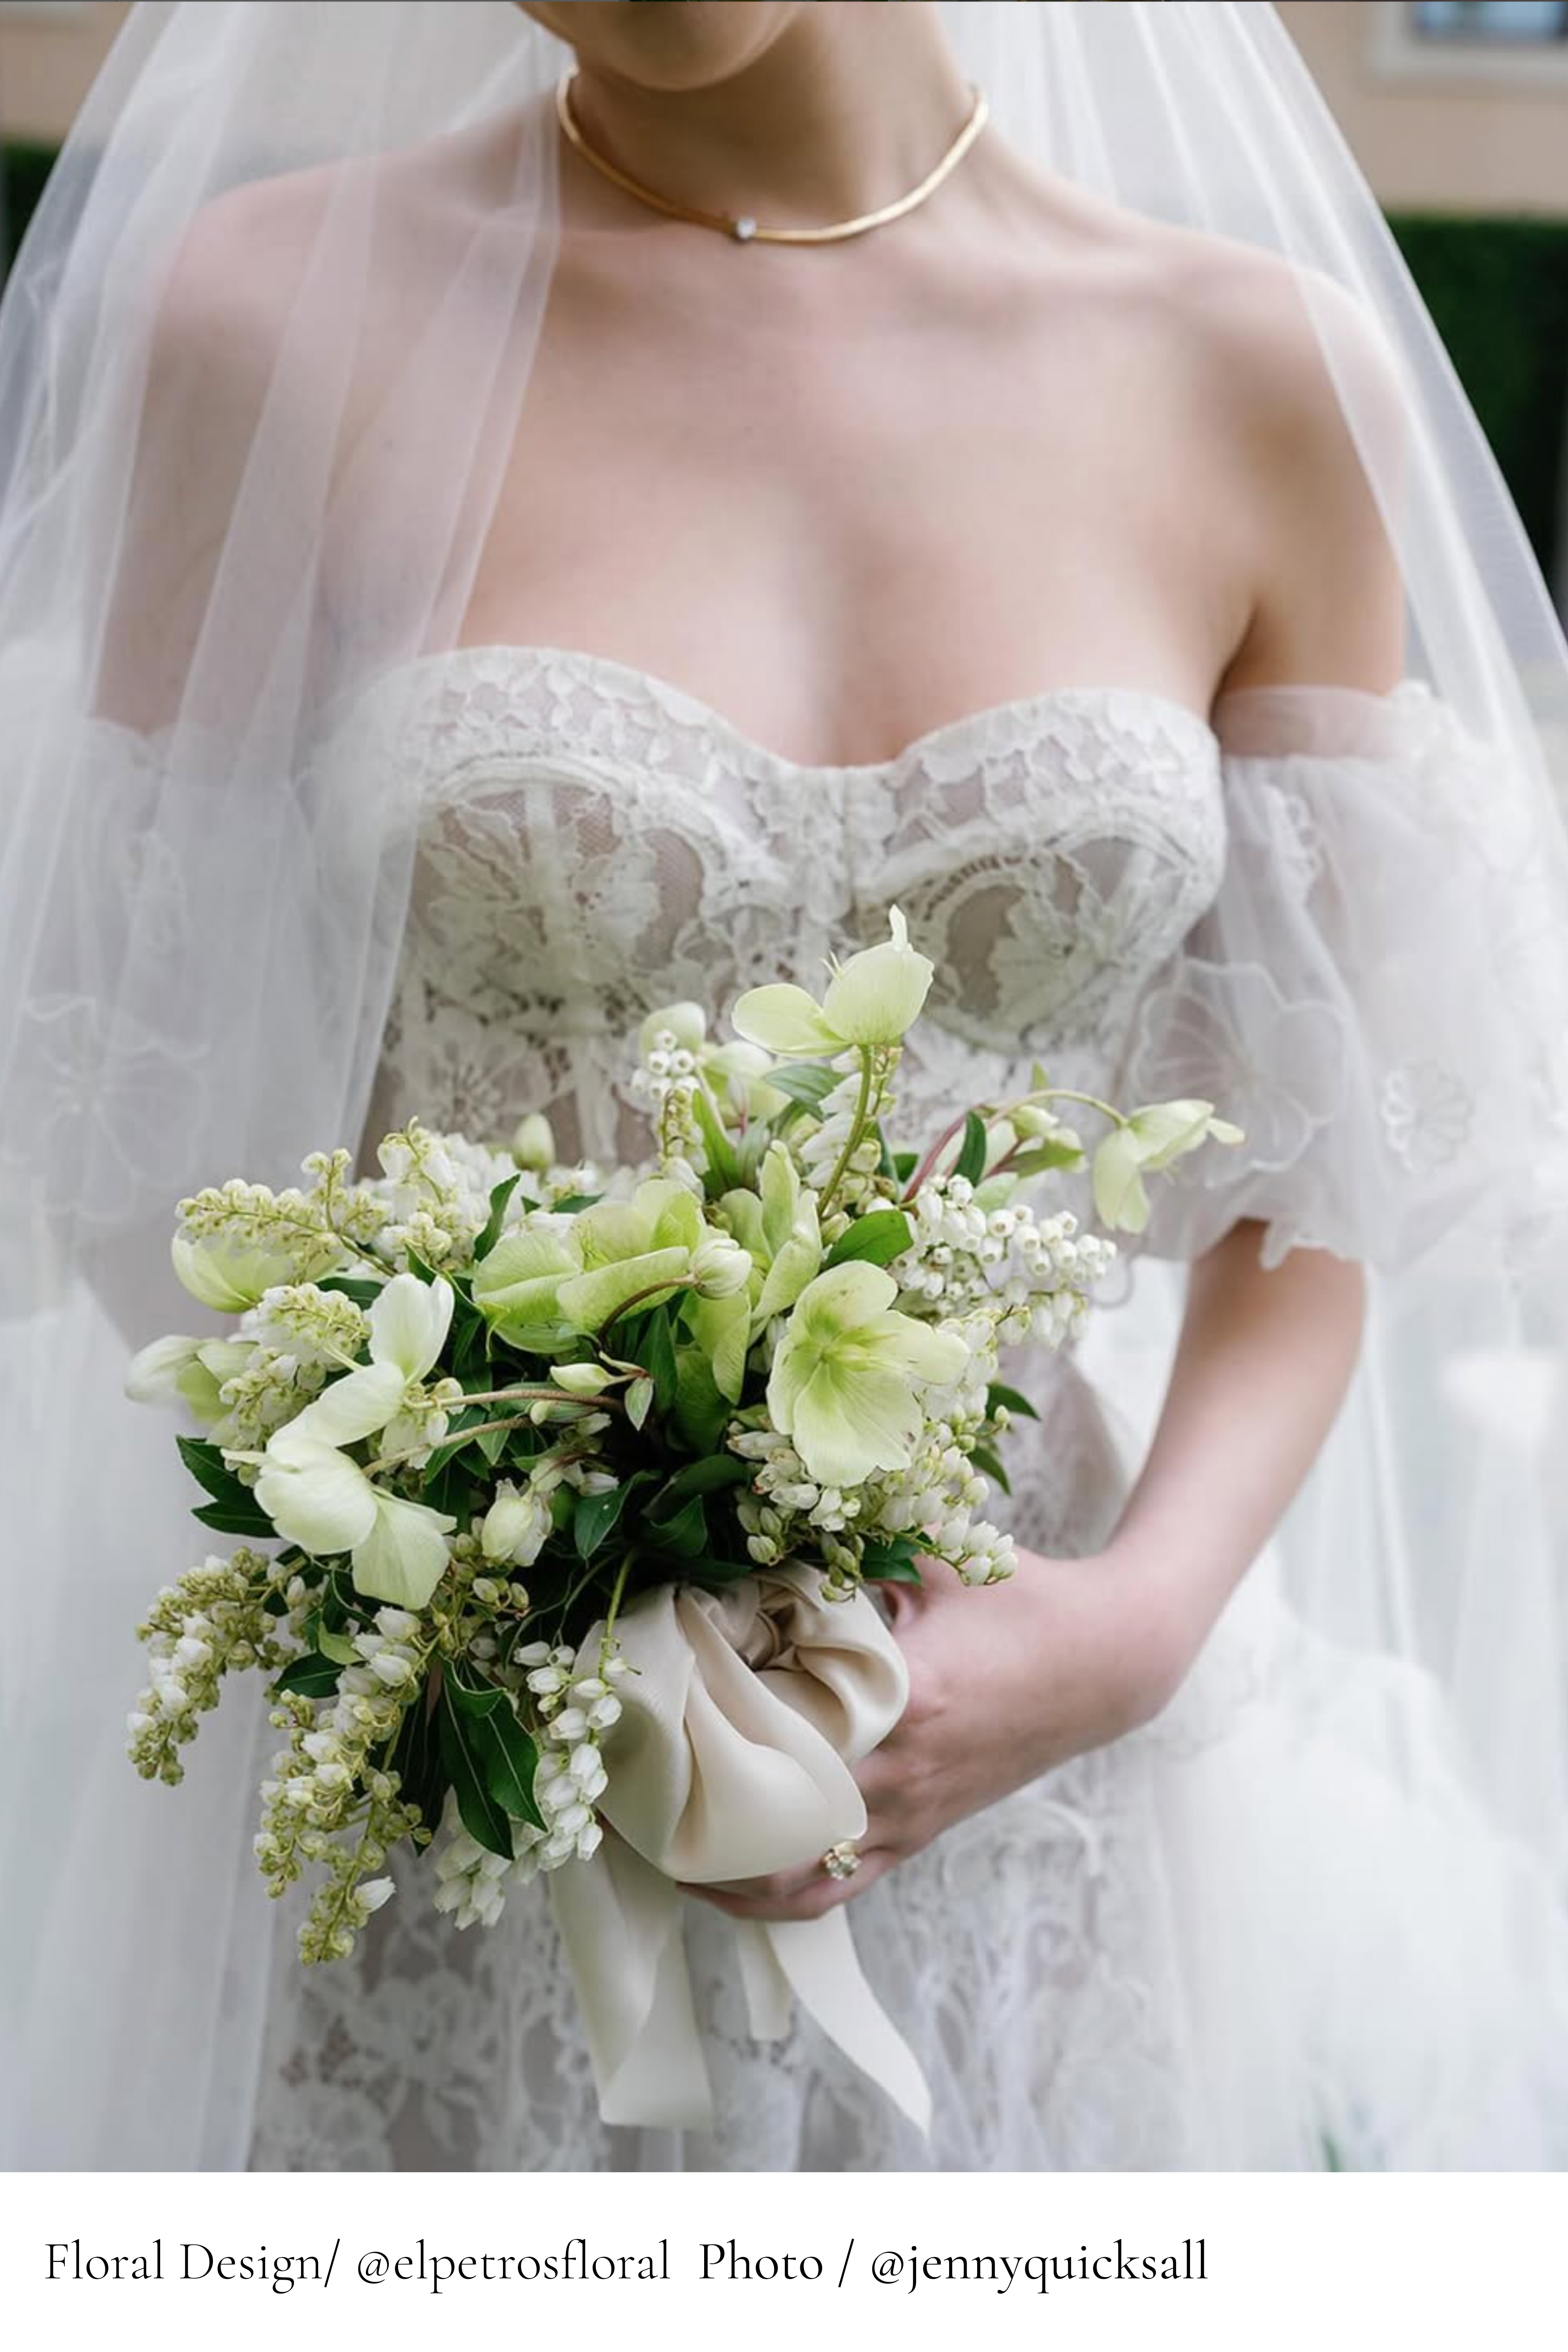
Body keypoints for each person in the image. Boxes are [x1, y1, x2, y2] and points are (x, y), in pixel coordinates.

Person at [3, 1, 1566, 2172]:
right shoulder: (271, 322)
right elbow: (131, 1097)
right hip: (478, 1776)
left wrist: (1127, 1630)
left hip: (1022, 1776)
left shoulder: (1264, 371)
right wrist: (503, 1568)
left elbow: (1326, 1169)